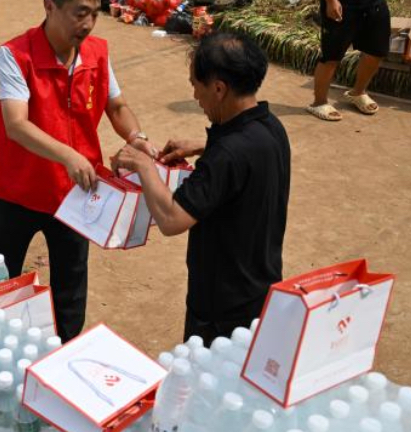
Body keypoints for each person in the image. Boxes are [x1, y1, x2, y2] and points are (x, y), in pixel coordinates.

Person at [0, 0, 156, 343]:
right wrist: (69, 155)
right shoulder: (15, 56)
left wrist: (137, 137)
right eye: (80, 13)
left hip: (76, 194)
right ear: (50, 6)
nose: (88, 24)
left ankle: (65, 350)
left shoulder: (97, 53)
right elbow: (16, 124)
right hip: (17, 193)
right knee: (2, 280)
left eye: (94, 14)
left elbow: (116, 106)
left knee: (70, 287)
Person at [111, 33, 291, 345]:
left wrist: (144, 166)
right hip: (260, 290)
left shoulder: (226, 156)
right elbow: (242, 155)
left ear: (219, 88)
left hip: (221, 309)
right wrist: (204, 145)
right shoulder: (271, 127)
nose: (195, 95)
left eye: (196, 84)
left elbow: (171, 218)